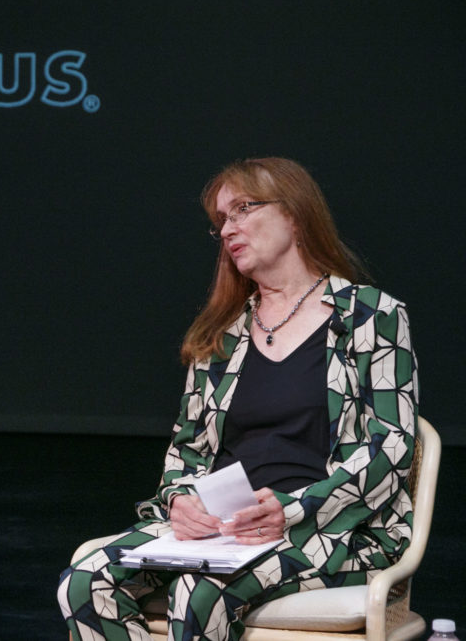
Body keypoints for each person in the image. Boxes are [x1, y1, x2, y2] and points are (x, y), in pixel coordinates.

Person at [58, 157, 418, 641]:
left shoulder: (371, 317)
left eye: (243, 209)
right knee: (82, 585)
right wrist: (180, 500)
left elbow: (391, 445)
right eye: (221, 220)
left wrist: (290, 509)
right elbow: (185, 454)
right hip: (222, 534)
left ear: (294, 214)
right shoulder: (221, 337)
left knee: (200, 591)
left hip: (326, 530)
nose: (229, 228)